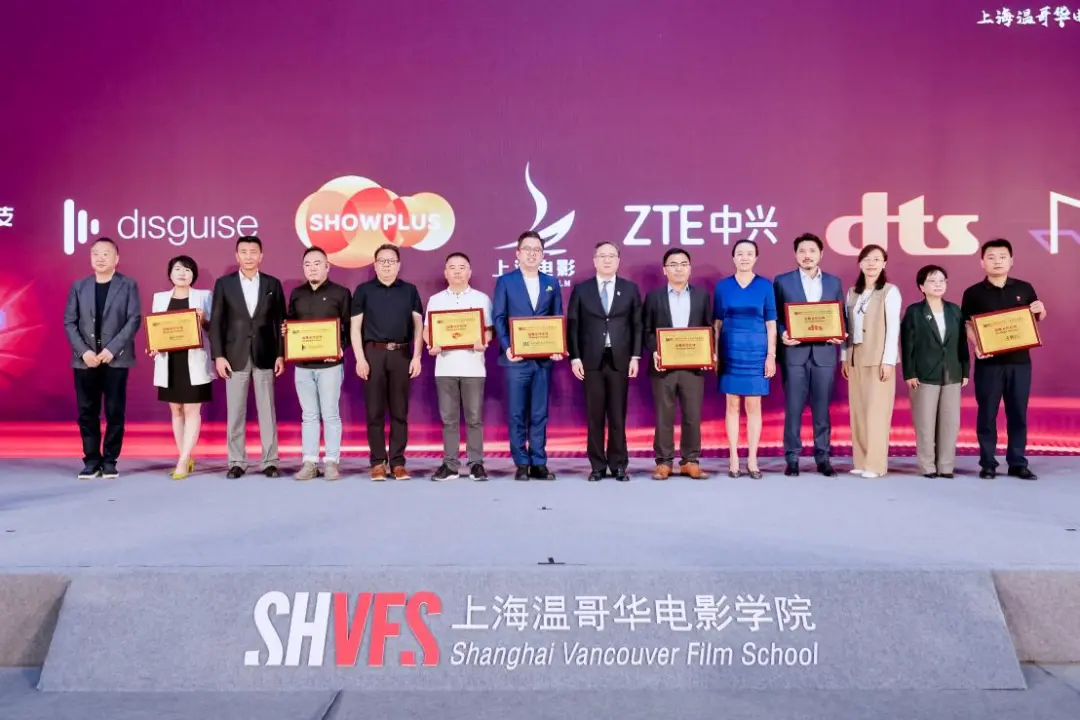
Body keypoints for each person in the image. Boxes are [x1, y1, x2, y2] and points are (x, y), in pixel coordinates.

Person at [960, 238, 1046, 480]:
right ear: (982, 262)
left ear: (1011, 260)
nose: (997, 261)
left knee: (1018, 413)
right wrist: (977, 344)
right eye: (991, 257)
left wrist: (1041, 310)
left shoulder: (1024, 288)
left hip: (1020, 363)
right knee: (987, 414)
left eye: (1002, 257)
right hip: (988, 364)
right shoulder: (973, 293)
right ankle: (988, 463)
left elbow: (1036, 317)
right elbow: (967, 324)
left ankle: (1017, 462)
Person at [63, 237, 141, 480]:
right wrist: (84, 352)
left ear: (117, 258)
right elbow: (69, 322)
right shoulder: (79, 286)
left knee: (115, 411)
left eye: (106, 253)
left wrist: (112, 349)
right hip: (85, 360)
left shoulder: (128, 285)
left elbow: (133, 320)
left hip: (115, 359)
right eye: (96, 253)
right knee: (87, 411)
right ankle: (91, 460)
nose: (100, 258)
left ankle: (109, 460)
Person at [210, 236, 286, 479]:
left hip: (266, 354)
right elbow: (217, 322)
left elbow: (281, 323)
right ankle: (236, 461)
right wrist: (218, 356)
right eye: (244, 251)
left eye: (253, 251)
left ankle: (270, 461)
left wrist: (281, 354)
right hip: (234, 356)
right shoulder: (224, 284)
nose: (249, 256)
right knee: (235, 412)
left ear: (261, 255)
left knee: (267, 411)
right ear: (237, 256)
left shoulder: (273, 283)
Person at [493, 231, 565, 481]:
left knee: (539, 413)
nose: (532, 254)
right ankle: (521, 463)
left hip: (543, 360)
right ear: (518, 253)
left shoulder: (551, 282)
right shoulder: (505, 282)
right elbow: (498, 318)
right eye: (527, 249)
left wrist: (557, 346)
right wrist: (507, 347)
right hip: (516, 360)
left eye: (537, 250)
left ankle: (539, 462)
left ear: (543, 254)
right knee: (516, 413)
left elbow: (557, 318)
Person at [568, 242, 643, 482]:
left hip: (620, 358)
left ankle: (619, 465)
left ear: (618, 260)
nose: (607, 260)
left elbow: (637, 325)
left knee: (618, 415)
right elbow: (573, 325)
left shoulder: (630, 289)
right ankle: (597, 466)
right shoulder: (582, 290)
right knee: (595, 416)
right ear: (594, 260)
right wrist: (575, 357)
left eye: (611, 256)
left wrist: (635, 356)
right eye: (602, 256)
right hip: (591, 360)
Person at [773, 232, 844, 477]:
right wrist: (782, 333)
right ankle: (792, 457)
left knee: (822, 409)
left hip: (824, 353)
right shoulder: (782, 281)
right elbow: (775, 316)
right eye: (802, 251)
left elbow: (840, 316)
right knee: (793, 408)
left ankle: (823, 456)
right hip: (794, 354)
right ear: (795, 254)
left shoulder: (834, 282)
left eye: (812, 251)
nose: (807, 255)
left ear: (821, 254)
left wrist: (840, 333)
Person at [350, 243, 424, 481]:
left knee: (400, 411)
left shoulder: (410, 290)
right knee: (375, 411)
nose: (386, 265)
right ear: (375, 265)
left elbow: (419, 326)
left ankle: (398, 462)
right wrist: (360, 358)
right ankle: (378, 462)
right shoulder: (363, 290)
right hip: (373, 353)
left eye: (391, 261)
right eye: (382, 261)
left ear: (399, 265)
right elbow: (355, 327)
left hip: (401, 354)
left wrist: (417, 356)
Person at [642, 248, 713, 480]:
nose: (679, 269)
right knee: (664, 415)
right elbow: (646, 330)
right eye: (673, 264)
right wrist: (655, 351)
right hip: (663, 367)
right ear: (665, 270)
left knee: (692, 415)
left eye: (683, 264)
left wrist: (707, 353)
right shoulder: (654, 297)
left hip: (693, 367)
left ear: (690, 268)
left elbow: (708, 328)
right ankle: (664, 462)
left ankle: (690, 461)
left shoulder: (702, 296)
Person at [425, 252, 493, 482]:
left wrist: (484, 341)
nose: (457, 271)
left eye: (462, 267)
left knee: (474, 418)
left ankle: (476, 464)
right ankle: (450, 464)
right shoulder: (435, 300)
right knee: (449, 420)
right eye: (452, 267)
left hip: (474, 367)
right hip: (445, 367)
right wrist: (431, 344)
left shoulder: (482, 299)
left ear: (469, 272)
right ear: (446, 273)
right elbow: (428, 330)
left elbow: (488, 329)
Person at [713, 239, 777, 479]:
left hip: (756, 352)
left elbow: (771, 324)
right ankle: (733, 458)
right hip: (730, 350)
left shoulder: (765, 285)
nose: (744, 257)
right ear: (733, 258)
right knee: (731, 405)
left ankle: (752, 459)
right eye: (740, 253)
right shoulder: (723, 286)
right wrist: (716, 353)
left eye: (749, 253)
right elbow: (717, 323)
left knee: (753, 406)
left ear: (756, 258)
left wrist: (771, 355)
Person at [287, 247, 351, 482]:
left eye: (317, 263)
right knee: (309, 415)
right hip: (303, 366)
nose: (312, 268)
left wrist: (341, 347)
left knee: (331, 414)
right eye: (307, 264)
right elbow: (291, 324)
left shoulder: (341, 293)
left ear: (327, 266)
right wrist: (286, 332)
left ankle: (332, 461)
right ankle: (309, 461)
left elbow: (349, 327)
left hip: (330, 365)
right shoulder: (297, 294)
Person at [901, 265, 969, 478]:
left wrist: (965, 370)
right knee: (925, 422)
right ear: (922, 286)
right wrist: (909, 373)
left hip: (952, 372)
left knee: (950, 423)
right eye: (932, 281)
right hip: (923, 374)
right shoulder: (914, 311)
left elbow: (962, 344)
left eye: (941, 280)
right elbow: (907, 344)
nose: (938, 284)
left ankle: (946, 466)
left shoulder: (954, 310)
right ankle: (927, 466)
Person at [841, 244, 900, 479]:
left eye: (876, 259)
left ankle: (876, 464)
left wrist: (888, 361)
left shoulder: (889, 291)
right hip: (855, 357)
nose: (871, 263)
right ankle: (861, 460)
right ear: (860, 263)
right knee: (858, 412)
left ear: (884, 263)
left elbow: (893, 328)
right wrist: (844, 357)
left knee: (877, 413)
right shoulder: (852, 292)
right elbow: (845, 327)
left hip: (878, 358)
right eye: (866, 259)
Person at [151, 256, 212, 480]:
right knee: (176, 410)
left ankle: (183, 460)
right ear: (170, 274)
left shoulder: (204, 296)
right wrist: (154, 346)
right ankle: (184, 455)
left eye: (187, 269)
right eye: (177, 269)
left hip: (194, 360)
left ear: (193, 274)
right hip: (170, 361)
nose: (182, 273)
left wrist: (204, 320)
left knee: (191, 410)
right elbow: (156, 329)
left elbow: (215, 329)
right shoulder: (159, 298)